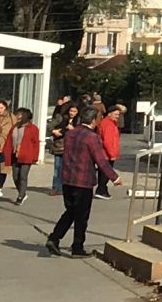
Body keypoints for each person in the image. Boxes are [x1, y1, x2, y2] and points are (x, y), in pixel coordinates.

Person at [44, 104, 116, 258]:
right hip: (83, 180)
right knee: (81, 215)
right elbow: (100, 160)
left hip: (68, 178)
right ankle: (77, 246)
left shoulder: (71, 133)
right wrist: (114, 177)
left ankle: (54, 238)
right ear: (94, 120)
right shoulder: (92, 137)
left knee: (71, 211)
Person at [7, 103, 43, 205]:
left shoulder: (32, 128)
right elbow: (9, 140)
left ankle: (21, 196)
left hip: (26, 155)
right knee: (15, 176)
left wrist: (35, 157)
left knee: (23, 176)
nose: (17, 116)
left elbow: (36, 143)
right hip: (15, 155)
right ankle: (22, 192)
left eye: (19, 115)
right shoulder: (15, 127)